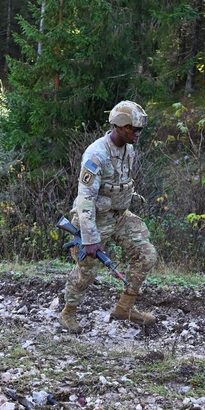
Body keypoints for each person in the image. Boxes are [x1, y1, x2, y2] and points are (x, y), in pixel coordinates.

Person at [59, 100, 158, 334]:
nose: (138, 134)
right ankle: (68, 311)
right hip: (93, 219)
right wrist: (90, 237)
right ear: (121, 127)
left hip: (119, 216)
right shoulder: (96, 155)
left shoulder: (129, 150)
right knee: (87, 271)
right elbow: (85, 200)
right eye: (135, 129)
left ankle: (125, 307)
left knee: (146, 254)